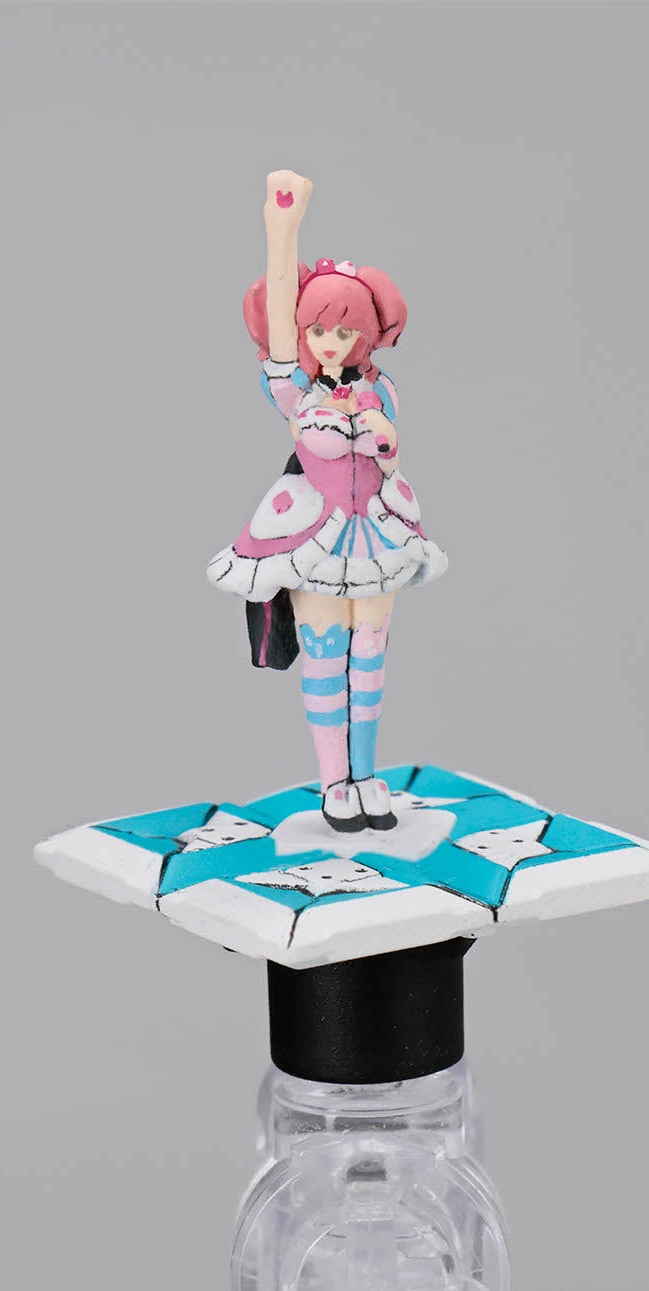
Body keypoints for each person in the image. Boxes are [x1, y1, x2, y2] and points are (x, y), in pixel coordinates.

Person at [207, 170, 448, 833]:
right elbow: (280, 347)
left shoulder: (381, 390)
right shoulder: (297, 393)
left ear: (364, 334)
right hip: (319, 536)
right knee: (325, 657)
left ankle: (365, 775)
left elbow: (389, 457)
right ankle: (333, 782)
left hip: (378, 534)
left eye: (343, 331)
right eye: (319, 330)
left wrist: (382, 438)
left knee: (369, 659)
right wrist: (282, 230)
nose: (330, 342)